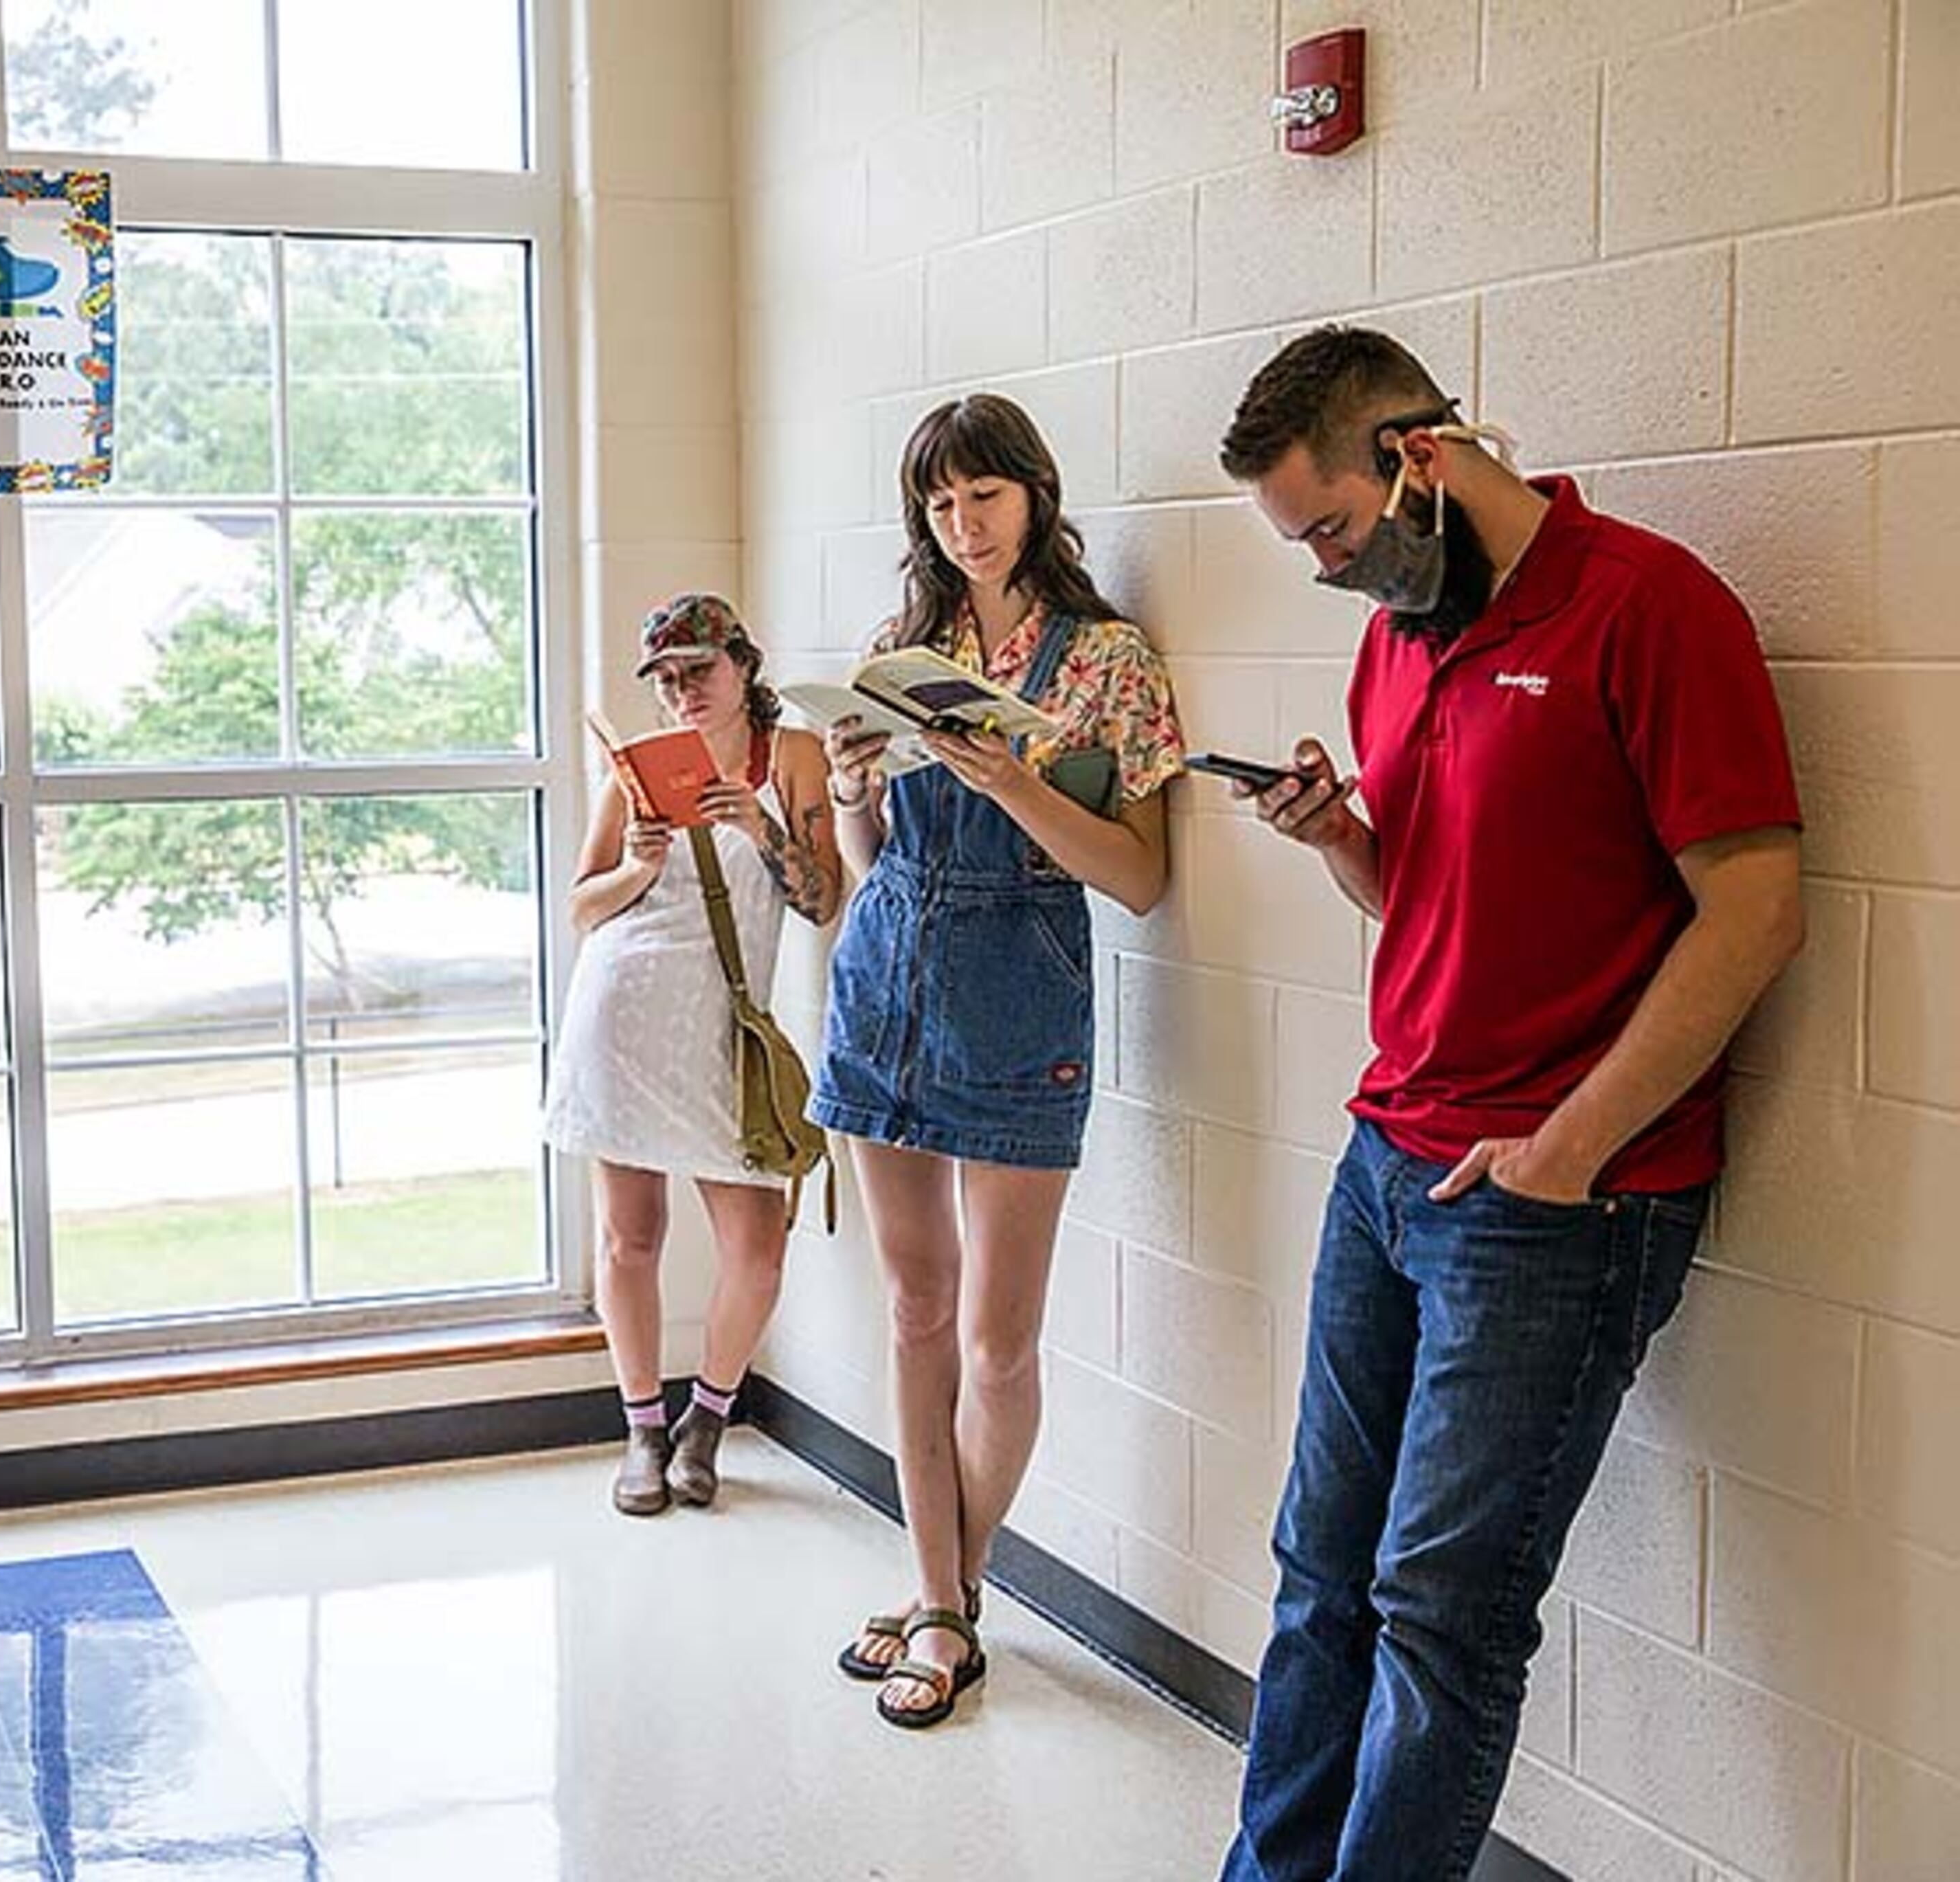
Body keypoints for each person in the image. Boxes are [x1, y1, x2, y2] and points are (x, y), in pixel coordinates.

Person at [1210, 327, 1805, 1881]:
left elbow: (1754, 909)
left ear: (1419, 461)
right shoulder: (1402, 635)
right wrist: (1342, 834)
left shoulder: (1652, 606)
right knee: (1318, 1575)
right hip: (1387, 1157)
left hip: (1556, 1202)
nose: (1329, 570)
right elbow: (1424, 889)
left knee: (1440, 1614)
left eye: (1332, 530)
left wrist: (1566, 1149)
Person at [814, 394, 1184, 1729]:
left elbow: (1139, 878)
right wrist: (857, 788)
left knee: (997, 1334)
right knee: (913, 1310)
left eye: (985, 496)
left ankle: (942, 1595)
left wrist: (1013, 780)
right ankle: (939, 1595)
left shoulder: (1106, 663)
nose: (962, 525)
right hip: (885, 984)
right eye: (939, 504)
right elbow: (870, 868)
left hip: (1021, 991)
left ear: (1037, 493)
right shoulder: (900, 647)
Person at [544, 594, 842, 1516]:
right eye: (666, 680)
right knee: (629, 1238)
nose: (682, 694)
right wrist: (639, 862)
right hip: (622, 1019)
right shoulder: (636, 773)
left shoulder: (791, 758)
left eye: (698, 672)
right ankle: (641, 1428)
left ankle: (706, 1419)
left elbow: (824, 899)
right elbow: (585, 909)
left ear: (744, 664)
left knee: (756, 1248)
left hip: (724, 1032)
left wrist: (756, 827)